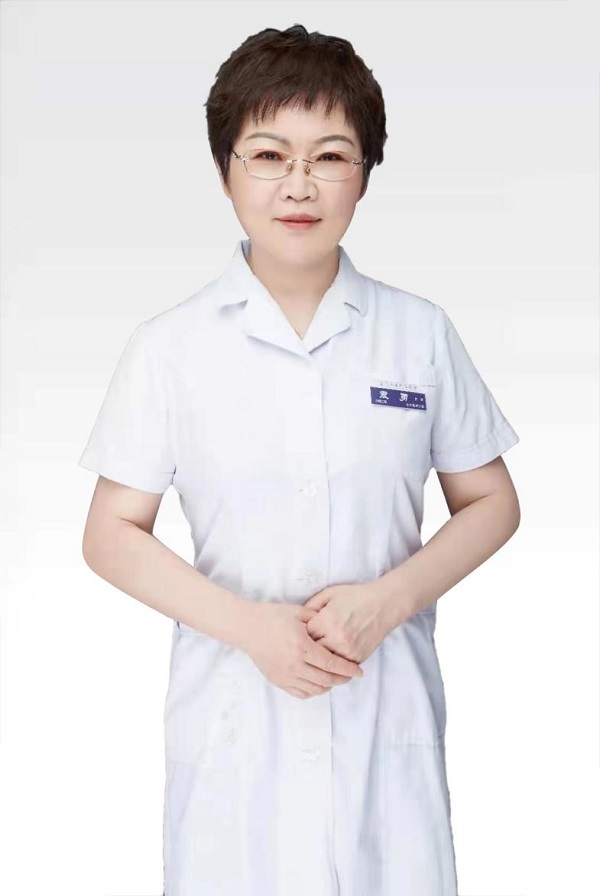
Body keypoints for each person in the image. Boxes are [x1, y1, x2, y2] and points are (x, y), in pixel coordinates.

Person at [78, 23, 521, 896]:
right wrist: (253, 629)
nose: (299, 184)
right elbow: (109, 534)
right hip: (235, 730)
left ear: (366, 174)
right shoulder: (170, 348)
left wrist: (389, 602)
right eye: (269, 155)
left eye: (331, 156)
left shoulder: (418, 333)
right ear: (226, 172)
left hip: (384, 718)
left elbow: (493, 502)